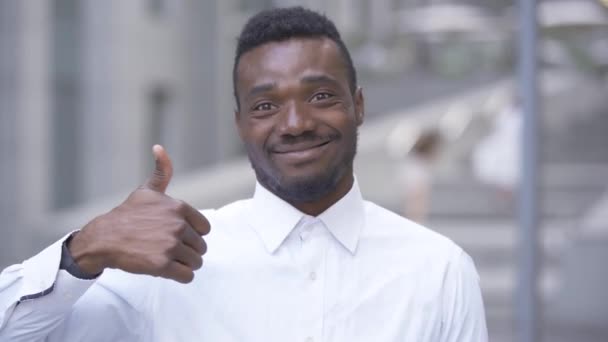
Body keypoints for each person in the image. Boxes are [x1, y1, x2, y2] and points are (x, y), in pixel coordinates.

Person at [0, 7, 487, 341]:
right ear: (240, 124)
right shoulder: (167, 263)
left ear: (358, 106)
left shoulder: (438, 270)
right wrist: (82, 250)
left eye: (320, 96)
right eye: (266, 105)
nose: (295, 124)